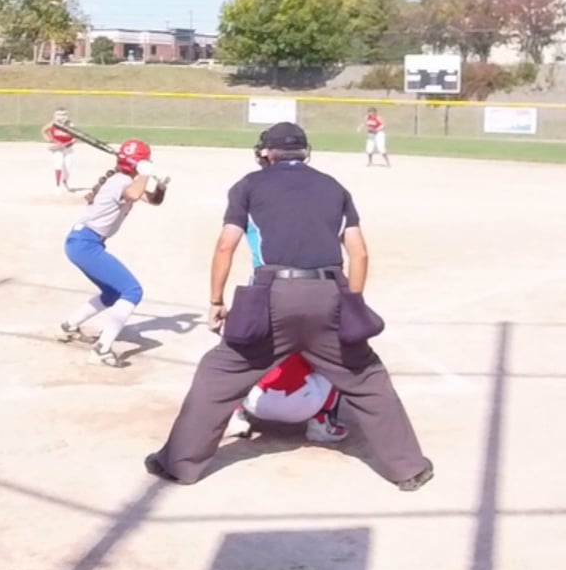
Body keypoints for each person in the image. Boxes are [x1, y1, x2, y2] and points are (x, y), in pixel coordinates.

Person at [146, 121, 433, 490]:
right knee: (366, 377)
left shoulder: (248, 185)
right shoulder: (334, 187)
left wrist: (216, 300)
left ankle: (179, 464)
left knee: (218, 373)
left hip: (271, 295)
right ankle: (409, 468)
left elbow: (225, 246)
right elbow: (359, 254)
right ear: (305, 151)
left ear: (267, 153)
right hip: (328, 292)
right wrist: (351, 302)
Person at [56, 139, 169, 366]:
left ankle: (70, 325)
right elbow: (134, 194)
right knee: (132, 291)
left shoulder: (125, 181)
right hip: (85, 243)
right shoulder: (121, 181)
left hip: (83, 243)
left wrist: (160, 186)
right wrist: (145, 173)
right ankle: (102, 350)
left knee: (112, 293)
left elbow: (152, 200)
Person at [223, 352, 348, 444]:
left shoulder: (256, 326)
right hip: (300, 407)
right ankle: (320, 425)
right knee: (336, 363)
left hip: (254, 403)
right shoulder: (313, 330)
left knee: (231, 358)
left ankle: (236, 418)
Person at [41, 108, 76, 191]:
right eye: (59, 115)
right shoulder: (53, 124)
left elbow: (75, 137)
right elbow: (43, 131)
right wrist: (49, 140)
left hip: (67, 148)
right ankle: (57, 186)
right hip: (57, 148)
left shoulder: (70, 125)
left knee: (67, 168)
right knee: (58, 164)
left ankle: (64, 181)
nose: (62, 117)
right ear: (55, 116)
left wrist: (69, 143)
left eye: (64, 114)